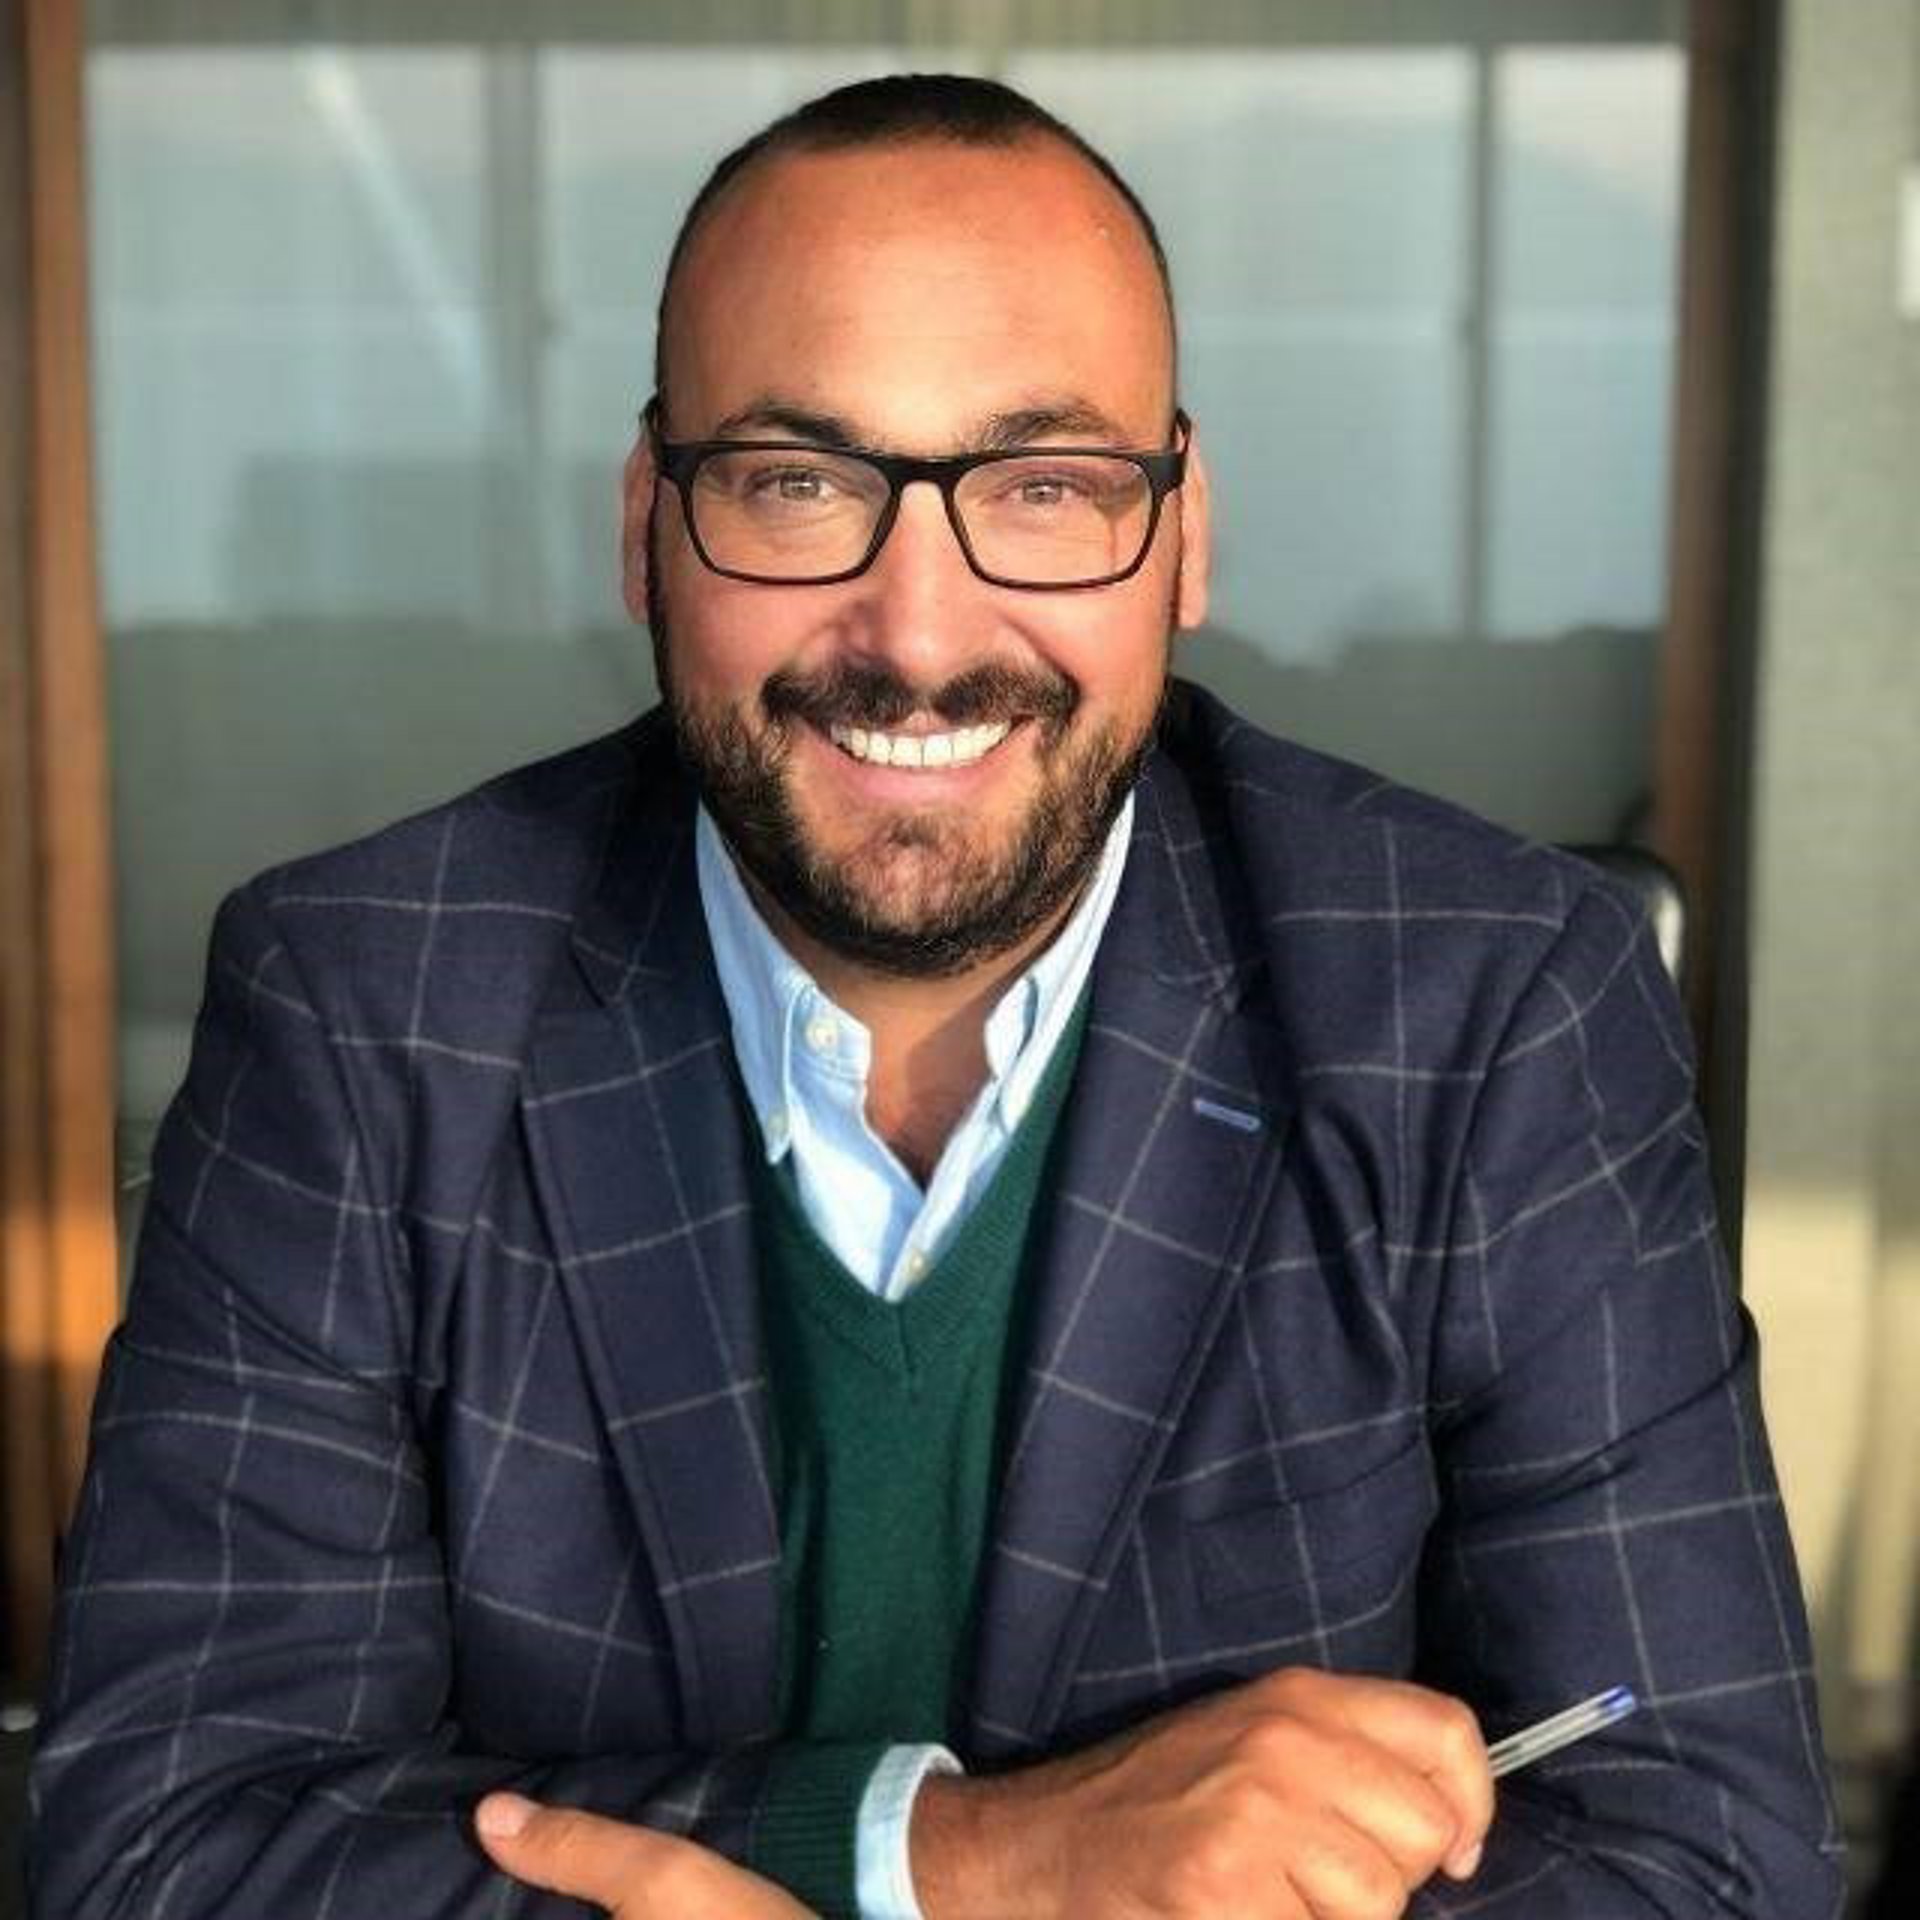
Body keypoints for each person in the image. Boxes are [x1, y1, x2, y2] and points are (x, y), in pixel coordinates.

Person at [29, 74, 1842, 1920]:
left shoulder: (1496, 1004)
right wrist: (964, 1855)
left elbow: (1707, 1857)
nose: (916, 634)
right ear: (647, 525)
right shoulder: (361, 1008)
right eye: (796, 484)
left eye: (1045, 489)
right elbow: (160, 1847)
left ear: (1185, 536)